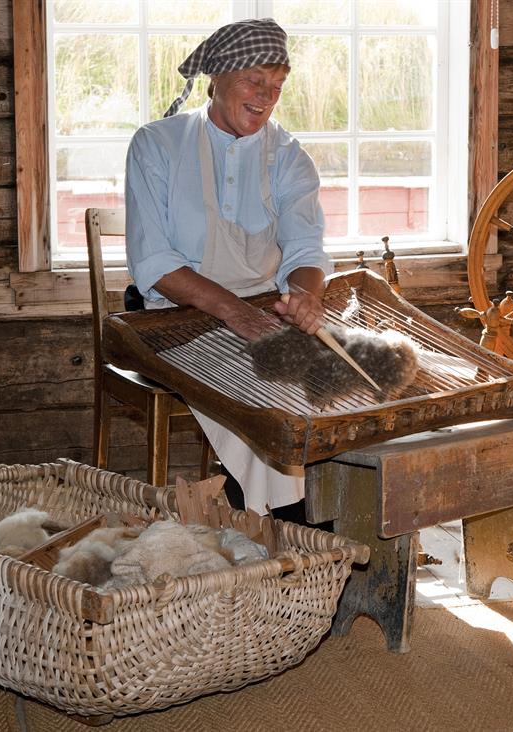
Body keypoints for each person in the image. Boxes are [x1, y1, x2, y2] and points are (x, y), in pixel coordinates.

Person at [125, 18, 328, 521]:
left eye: (277, 86)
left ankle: (320, 521)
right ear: (217, 76)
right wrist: (232, 312)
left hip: (263, 308)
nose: (266, 96)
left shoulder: (287, 155)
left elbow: (304, 247)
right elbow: (156, 262)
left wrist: (304, 294)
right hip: (176, 316)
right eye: (254, 81)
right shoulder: (157, 145)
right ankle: (286, 525)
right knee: (267, 393)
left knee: (337, 382)